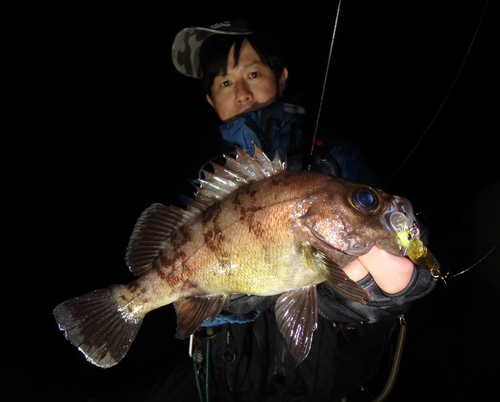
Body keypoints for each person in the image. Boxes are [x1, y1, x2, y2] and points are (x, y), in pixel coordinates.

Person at [158, 19, 437, 402]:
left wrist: (375, 291)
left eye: (253, 72)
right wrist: (225, 301)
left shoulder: (336, 161)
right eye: (224, 82)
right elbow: (189, 302)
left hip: (331, 377)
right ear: (209, 98)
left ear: (282, 76)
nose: (241, 92)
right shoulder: (204, 186)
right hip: (233, 379)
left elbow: (399, 242)